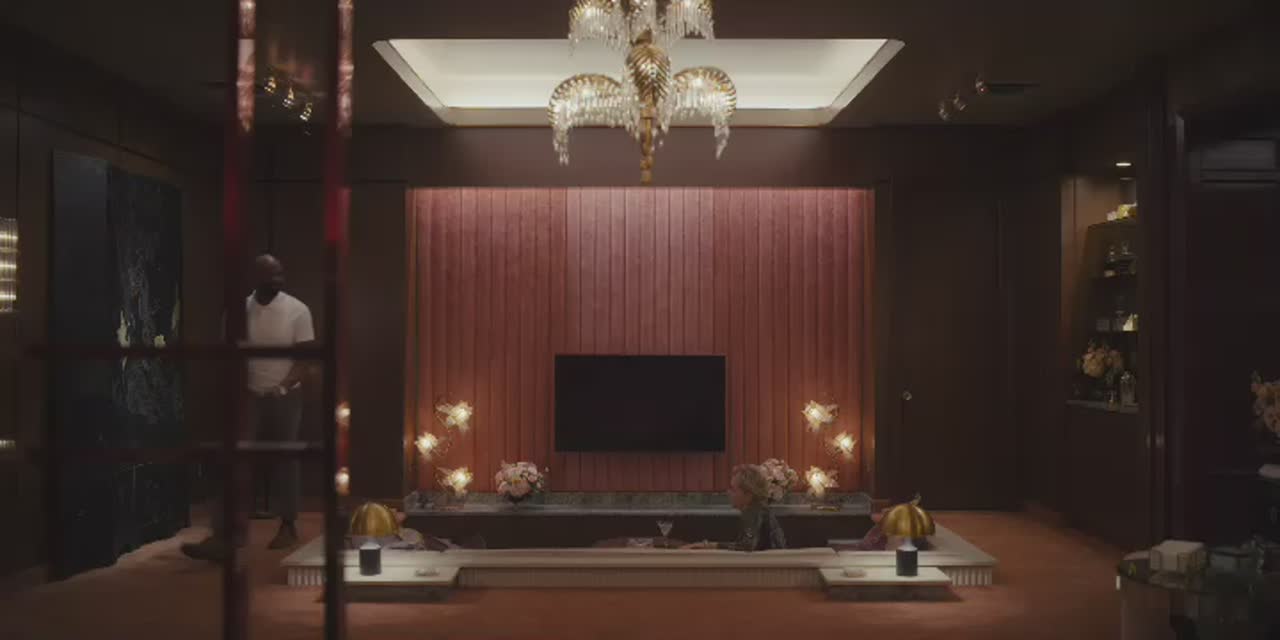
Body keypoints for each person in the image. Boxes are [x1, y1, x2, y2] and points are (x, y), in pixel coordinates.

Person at [182, 254, 315, 561]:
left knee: (286, 459)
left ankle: (288, 525)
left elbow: (305, 358)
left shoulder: (297, 310)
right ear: (255, 278)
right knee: (235, 461)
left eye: (280, 274)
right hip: (249, 395)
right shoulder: (238, 311)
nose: (277, 280)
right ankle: (226, 535)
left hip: (285, 395)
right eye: (270, 275)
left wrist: (283, 386)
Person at [682, 464, 786, 551]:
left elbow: (747, 546)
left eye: (733, 489)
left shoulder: (753, 512)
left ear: (748, 494)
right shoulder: (758, 510)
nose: (728, 492)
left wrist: (710, 546)